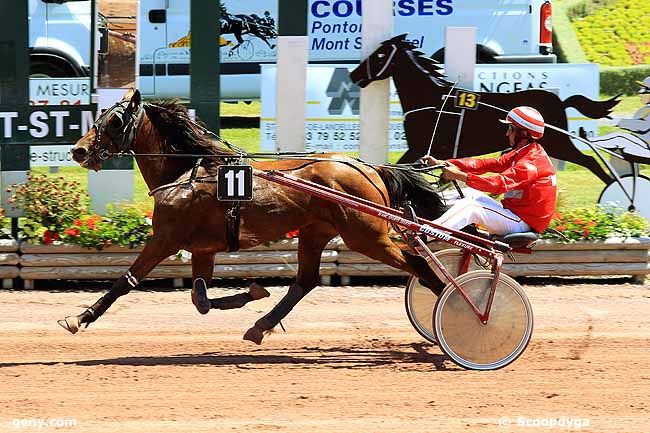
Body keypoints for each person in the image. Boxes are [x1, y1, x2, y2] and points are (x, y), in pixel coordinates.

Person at [420, 106, 557, 236]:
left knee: (471, 207)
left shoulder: (530, 163)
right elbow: (484, 164)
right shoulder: (524, 152)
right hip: (513, 214)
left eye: (511, 128)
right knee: (470, 194)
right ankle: (420, 206)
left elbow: (497, 185)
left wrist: (459, 176)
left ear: (524, 133)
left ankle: (426, 234)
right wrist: (443, 163)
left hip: (521, 223)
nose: (507, 133)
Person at [589, 76, 650, 163]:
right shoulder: (646, 109)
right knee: (622, 137)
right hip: (644, 146)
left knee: (620, 137)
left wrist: (619, 122)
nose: (639, 93)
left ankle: (589, 141)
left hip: (646, 149)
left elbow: (643, 126)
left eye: (643, 90)